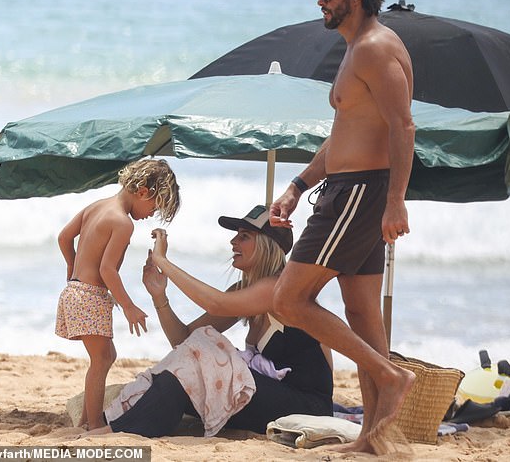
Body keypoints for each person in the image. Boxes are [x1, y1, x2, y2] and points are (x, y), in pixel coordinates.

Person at [268, 0, 416, 454]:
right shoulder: (357, 50)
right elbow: (343, 135)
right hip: (349, 189)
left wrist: (396, 200)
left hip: (359, 193)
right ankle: (376, 440)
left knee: (287, 299)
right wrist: (298, 185)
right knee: (363, 318)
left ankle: (389, 376)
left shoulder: (376, 47)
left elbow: (403, 125)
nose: (322, 4)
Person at [87, 204, 333, 436]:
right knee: (188, 364)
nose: (233, 241)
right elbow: (183, 340)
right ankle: (119, 425)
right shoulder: (244, 290)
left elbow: (215, 304)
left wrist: (164, 262)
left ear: (269, 245)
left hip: (305, 406)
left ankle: (118, 429)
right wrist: (159, 295)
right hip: (273, 397)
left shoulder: (277, 288)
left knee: (204, 347)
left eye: (244, 236)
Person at [55, 158, 180, 430]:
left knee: (106, 356)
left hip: (75, 291)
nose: (150, 215)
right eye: (153, 208)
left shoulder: (97, 206)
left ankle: (87, 420)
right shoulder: (123, 223)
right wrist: (129, 307)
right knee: (100, 360)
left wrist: (72, 265)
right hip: (90, 295)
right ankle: (95, 425)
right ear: (143, 192)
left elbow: (64, 237)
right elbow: (108, 270)